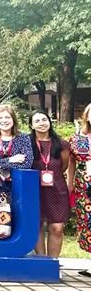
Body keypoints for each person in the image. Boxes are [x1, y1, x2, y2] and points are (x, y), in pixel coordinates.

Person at [0, 104, 33, 239]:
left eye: (7, 117)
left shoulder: (23, 138)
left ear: (13, 119)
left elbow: (27, 163)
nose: (4, 120)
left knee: (16, 226)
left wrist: (0, 166)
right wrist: (11, 160)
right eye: (0, 117)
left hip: (16, 190)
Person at [29, 110, 70, 258]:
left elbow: (63, 167)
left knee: (57, 227)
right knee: (36, 225)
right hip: (34, 189)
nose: (41, 123)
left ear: (49, 122)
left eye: (44, 120)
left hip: (57, 189)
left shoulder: (62, 144)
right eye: (37, 121)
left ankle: (53, 263)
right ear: (31, 125)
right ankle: (41, 263)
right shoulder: (27, 143)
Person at [69, 103, 91, 276]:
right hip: (83, 184)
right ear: (87, 116)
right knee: (87, 221)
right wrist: (70, 184)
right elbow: (71, 163)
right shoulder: (77, 138)